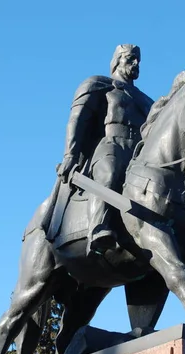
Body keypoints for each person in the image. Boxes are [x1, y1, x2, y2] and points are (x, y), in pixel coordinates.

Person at [56, 44, 154, 256]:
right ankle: (99, 227)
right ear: (117, 60)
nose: (136, 63)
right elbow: (77, 119)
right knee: (109, 171)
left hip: (140, 154)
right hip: (111, 145)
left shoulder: (147, 101)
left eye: (138, 60)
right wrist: (70, 154)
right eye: (130, 58)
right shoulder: (100, 84)